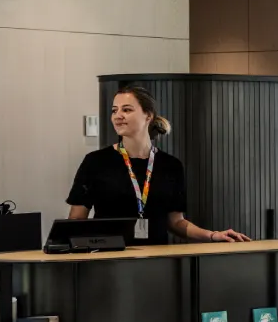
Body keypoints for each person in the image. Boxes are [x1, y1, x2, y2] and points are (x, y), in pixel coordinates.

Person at [66, 86, 250, 244]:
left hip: (158, 262)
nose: (118, 116)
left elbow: (176, 222)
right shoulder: (95, 162)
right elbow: (76, 219)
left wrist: (212, 235)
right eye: (114, 110)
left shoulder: (171, 165)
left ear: (148, 116)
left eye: (127, 110)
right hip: (110, 261)